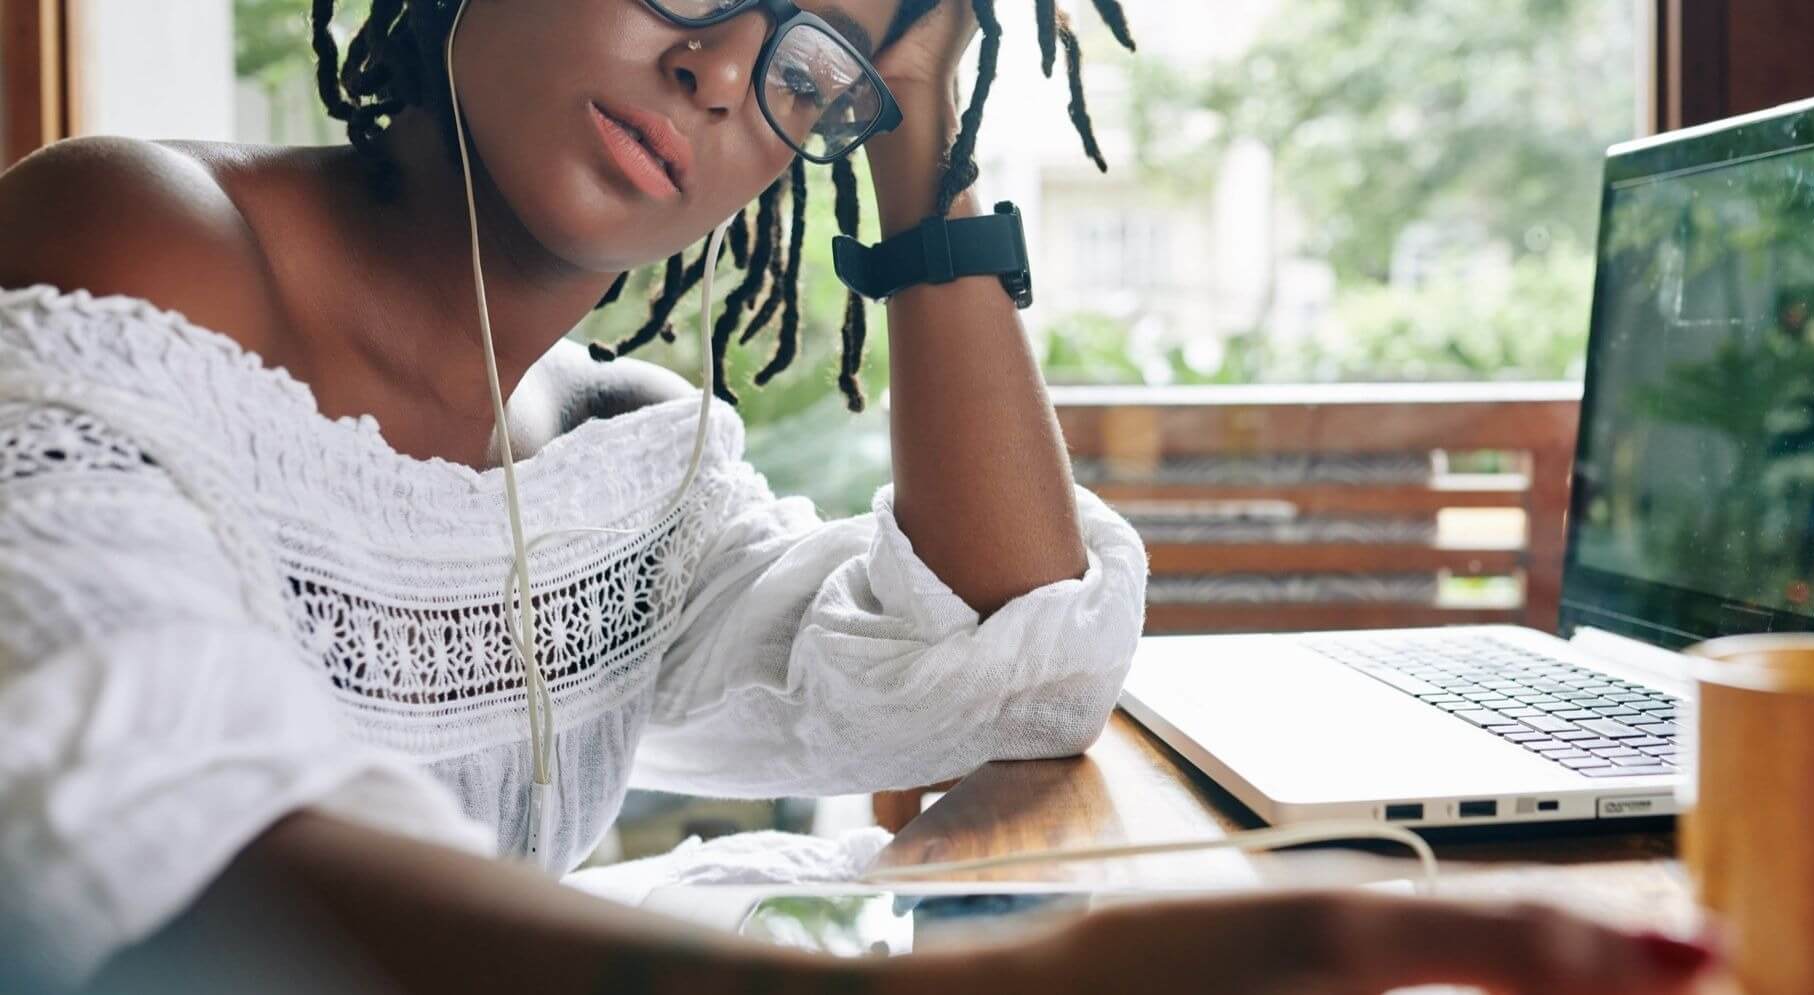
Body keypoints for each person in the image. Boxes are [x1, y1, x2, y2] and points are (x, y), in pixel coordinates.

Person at [0, 1, 1722, 991]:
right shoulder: (137, 241)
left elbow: (1001, 668)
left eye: (810, 63)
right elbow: (158, 804)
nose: (721, 68)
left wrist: (930, 144)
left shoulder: (628, 455)